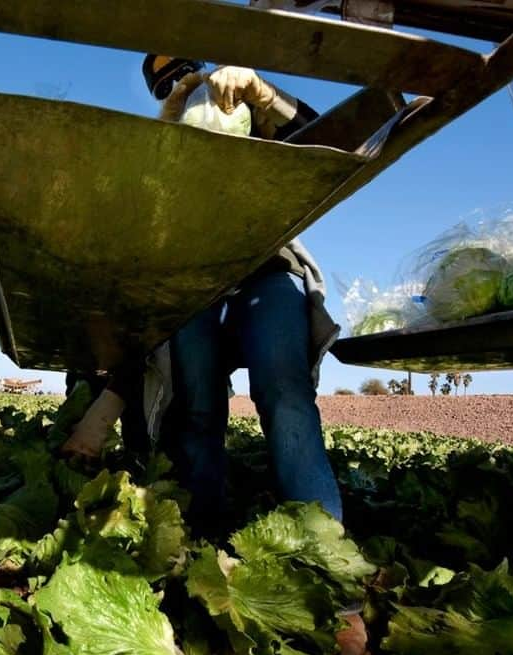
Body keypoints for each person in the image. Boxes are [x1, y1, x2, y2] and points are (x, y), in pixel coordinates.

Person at [65, 56, 342, 532]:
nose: (180, 85)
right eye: (166, 85)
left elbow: (333, 144)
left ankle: (323, 534)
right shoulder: (163, 156)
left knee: (286, 393)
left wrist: (266, 95)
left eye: (186, 71)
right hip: (191, 283)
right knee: (196, 405)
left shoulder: (253, 122)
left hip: (264, 272)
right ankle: (201, 530)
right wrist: (166, 138)